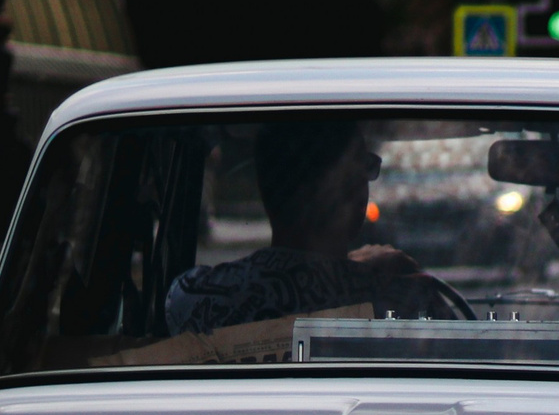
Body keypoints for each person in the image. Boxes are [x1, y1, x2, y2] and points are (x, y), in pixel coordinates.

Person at [166, 118, 433, 333]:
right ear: (352, 188)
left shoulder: (198, 297)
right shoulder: (404, 300)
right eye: (365, 168)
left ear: (265, 188)